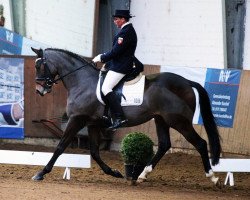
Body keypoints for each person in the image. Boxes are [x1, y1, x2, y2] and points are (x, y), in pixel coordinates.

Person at [92, 9, 137, 130]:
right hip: (117, 64)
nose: (114, 21)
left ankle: (120, 117)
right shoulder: (125, 31)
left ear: (123, 19)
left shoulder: (126, 32)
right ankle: (107, 115)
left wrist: (101, 57)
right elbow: (117, 51)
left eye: (116, 19)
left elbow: (116, 51)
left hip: (121, 66)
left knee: (106, 88)